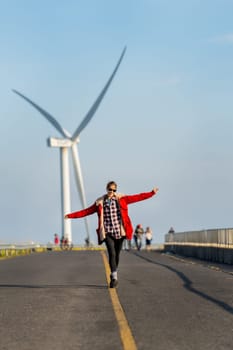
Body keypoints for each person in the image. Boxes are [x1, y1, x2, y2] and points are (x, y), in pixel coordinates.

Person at [65, 181, 159, 288]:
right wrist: (70, 216)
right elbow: (86, 211)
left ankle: (113, 271)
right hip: (108, 232)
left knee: (117, 255)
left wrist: (151, 193)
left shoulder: (122, 199)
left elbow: (138, 197)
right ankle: (114, 277)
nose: (112, 192)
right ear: (107, 189)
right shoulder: (100, 202)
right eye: (110, 189)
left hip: (120, 232)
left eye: (114, 190)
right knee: (112, 253)